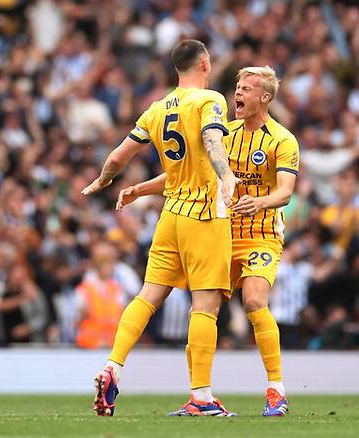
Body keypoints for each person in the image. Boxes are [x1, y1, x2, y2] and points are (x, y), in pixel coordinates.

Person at [117, 66, 299, 416]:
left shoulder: (282, 140)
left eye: (248, 88)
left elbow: (286, 192)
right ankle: (200, 396)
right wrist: (141, 188)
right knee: (205, 309)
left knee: (253, 300)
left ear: (266, 97)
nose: (239, 93)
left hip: (261, 236)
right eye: (238, 86)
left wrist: (259, 202)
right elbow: (182, 174)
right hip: (222, 233)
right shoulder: (223, 134)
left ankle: (276, 389)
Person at [81, 39, 238, 417]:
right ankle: (201, 397)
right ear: (205, 63)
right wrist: (227, 175)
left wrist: (103, 182)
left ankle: (112, 366)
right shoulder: (209, 100)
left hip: (170, 214)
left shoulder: (157, 108)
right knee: (205, 305)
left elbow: (118, 157)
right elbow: (212, 140)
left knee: (148, 296)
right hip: (204, 213)